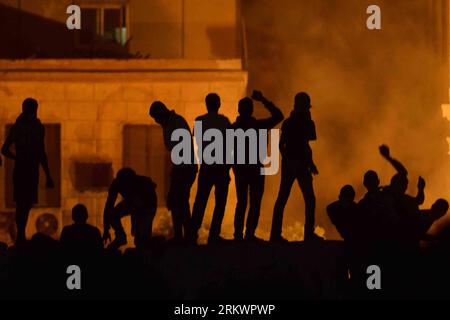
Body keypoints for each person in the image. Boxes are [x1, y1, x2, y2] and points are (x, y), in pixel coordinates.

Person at [231, 90, 284, 242]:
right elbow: (279, 116)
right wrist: (263, 99)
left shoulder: (233, 129)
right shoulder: (259, 126)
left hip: (241, 170)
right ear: (252, 110)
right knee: (255, 203)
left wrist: (233, 168)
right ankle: (249, 234)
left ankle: (238, 235)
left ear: (239, 111)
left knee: (241, 203)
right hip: (256, 169)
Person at [1, 98, 54, 245]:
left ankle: (21, 235)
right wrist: (48, 174)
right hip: (29, 169)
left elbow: (5, 150)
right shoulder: (37, 127)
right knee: (25, 202)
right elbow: (41, 152)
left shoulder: (18, 127)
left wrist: (17, 157)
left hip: (23, 168)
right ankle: (21, 235)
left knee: (23, 203)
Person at [270, 92, 322, 242]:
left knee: (282, 198)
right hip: (301, 165)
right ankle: (309, 234)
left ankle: (275, 235)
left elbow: (281, 145)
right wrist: (309, 163)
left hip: (290, 164)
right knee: (310, 199)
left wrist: (287, 158)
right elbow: (306, 145)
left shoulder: (287, 123)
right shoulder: (307, 123)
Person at [149, 101, 198, 243]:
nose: (156, 122)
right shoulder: (170, 123)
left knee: (179, 201)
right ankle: (185, 235)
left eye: (156, 118)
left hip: (185, 168)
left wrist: (177, 173)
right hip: (181, 167)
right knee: (180, 202)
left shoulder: (176, 122)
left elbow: (178, 148)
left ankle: (187, 235)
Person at [189, 93, 231, 244]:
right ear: (218, 105)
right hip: (221, 168)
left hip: (206, 167)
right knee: (220, 202)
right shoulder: (224, 121)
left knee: (200, 201)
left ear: (206, 104)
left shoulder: (199, 121)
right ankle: (214, 235)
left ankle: (192, 234)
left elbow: (196, 144)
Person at [102, 168, 157, 249]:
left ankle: (143, 248)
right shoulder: (117, 183)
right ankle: (121, 237)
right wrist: (106, 229)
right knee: (113, 214)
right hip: (136, 203)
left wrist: (136, 224)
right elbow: (108, 207)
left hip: (148, 206)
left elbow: (143, 209)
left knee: (141, 238)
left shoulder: (142, 184)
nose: (125, 187)